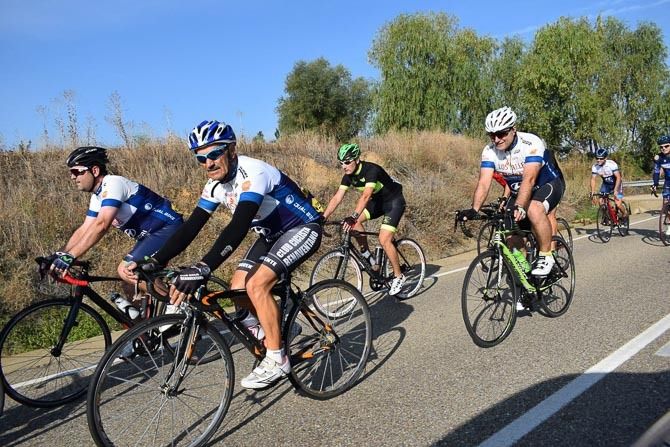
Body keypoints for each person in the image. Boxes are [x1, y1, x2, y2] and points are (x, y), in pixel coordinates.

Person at [131, 120, 323, 389]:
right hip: (270, 234)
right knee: (237, 289)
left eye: (214, 154)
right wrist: (156, 260)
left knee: (257, 285)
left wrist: (203, 267)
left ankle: (278, 359)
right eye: (201, 158)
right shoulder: (214, 186)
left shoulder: (252, 172)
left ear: (232, 150)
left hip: (302, 227)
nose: (208, 163)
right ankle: (277, 329)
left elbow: (238, 226)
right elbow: (191, 227)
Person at [45, 146, 183, 311]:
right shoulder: (98, 197)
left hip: (169, 228)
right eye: (71, 173)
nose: (72, 177)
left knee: (126, 270)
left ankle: (177, 306)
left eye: (76, 171)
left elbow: (102, 224)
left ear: (94, 170)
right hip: (151, 236)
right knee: (129, 283)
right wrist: (59, 254)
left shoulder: (113, 183)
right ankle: (151, 322)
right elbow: (85, 229)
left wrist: (71, 255)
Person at [459, 106, 564, 278]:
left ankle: (546, 256)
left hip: (547, 184)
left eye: (501, 134)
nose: (496, 139)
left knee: (534, 209)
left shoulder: (531, 143)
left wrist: (520, 206)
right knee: (511, 238)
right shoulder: (489, 151)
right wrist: (474, 209)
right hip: (519, 190)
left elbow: (529, 179)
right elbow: (484, 182)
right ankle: (525, 277)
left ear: (513, 130)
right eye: (492, 135)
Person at [321, 143, 408, 295]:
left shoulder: (371, 170)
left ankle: (398, 276)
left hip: (394, 202)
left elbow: (366, 196)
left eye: (347, 162)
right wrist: (323, 218)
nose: (344, 166)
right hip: (378, 203)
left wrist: (353, 216)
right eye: (341, 163)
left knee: (384, 239)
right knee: (354, 225)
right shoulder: (348, 176)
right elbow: (337, 197)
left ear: (356, 159)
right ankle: (369, 257)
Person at [590, 147, 627, 218]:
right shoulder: (595, 167)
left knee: (618, 204)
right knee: (600, 202)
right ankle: (608, 216)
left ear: (605, 158)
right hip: (606, 184)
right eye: (597, 158)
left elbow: (618, 177)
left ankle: (624, 213)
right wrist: (592, 192)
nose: (598, 160)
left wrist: (616, 190)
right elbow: (593, 179)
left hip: (617, 184)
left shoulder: (611, 164)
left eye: (601, 158)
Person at [652, 134, 670, 235]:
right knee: (666, 204)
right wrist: (655, 184)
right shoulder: (658, 158)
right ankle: (669, 225)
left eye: (666, 146)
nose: (664, 148)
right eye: (661, 147)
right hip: (668, 181)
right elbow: (656, 172)